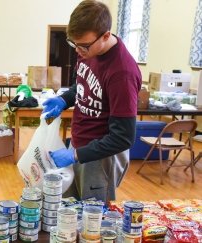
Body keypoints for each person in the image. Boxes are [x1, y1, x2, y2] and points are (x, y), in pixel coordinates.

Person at [44, 0, 142, 202]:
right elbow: (82, 85)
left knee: (91, 222)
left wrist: (76, 155)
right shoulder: (88, 49)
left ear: (106, 35)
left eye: (83, 46)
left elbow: (123, 138)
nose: (78, 51)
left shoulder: (122, 73)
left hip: (101, 157)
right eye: (73, 44)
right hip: (79, 144)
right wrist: (64, 99)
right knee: (68, 211)